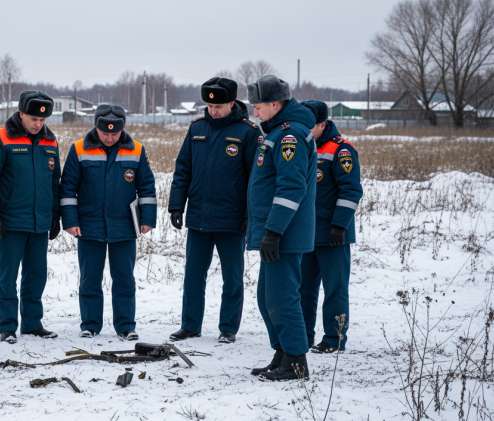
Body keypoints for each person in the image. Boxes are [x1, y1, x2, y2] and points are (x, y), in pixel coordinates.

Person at [167, 77, 260, 343]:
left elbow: (256, 180)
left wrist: (248, 215)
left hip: (232, 220)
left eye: (218, 106)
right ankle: (190, 325)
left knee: (232, 278)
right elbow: (183, 169)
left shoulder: (248, 133)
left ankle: (228, 327)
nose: (213, 111)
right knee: (194, 275)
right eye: (209, 106)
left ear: (232, 102)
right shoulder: (196, 128)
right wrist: (176, 205)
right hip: (198, 217)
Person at [59, 104, 157, 340]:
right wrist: (70, 221)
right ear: (96, 128)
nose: (110, 138)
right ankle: (90, 325)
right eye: (105, 134)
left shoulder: (136, 150)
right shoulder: (79, 149)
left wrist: (148, 219)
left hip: (124, 227)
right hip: (88, 227)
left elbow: (146, 187)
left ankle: (125, 326)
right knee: (90, 279)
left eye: (115, 134)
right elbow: (68, 187)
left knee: (124, 279)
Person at [245, 75, 317, 382]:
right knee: (266, 297)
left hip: (284, 233)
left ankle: (296, 362)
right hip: (273, 231)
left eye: (258, 107)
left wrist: (274, 231)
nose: (255, 113)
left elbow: (291, 188)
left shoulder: (290, 136)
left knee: (282, 297)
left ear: (275, 104)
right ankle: (283, 353)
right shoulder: (276, 132)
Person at [0, 90, 61, 344]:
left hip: (39, 222)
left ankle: (32, 324)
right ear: (21, 114)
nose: (38, 124)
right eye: (34, 119)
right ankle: (7, 326)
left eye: (42, 120)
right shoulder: (0, 139)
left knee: (36, 276)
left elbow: (54, 181)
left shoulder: (50, 141)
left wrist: (55, 215)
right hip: (10, 222)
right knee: (7, 276)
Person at [298, 100, 363, 354]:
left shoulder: (341, 150)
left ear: (322, 124)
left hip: (334, 235)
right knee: (303, 289)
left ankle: (334, 338)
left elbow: (351, 191)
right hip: (305, 234)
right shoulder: (301, 146)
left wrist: (339, 226)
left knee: (334, 290)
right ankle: (302, 335)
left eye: (309, 125)